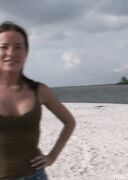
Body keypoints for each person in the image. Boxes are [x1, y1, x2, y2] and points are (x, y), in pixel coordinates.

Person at [0, 21, 76, 179]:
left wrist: (52, 156)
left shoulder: (40, 90)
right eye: (4, 47)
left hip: (36, 175)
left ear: (26, 52)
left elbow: (69, 122)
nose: (11, 52)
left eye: (18, 47)